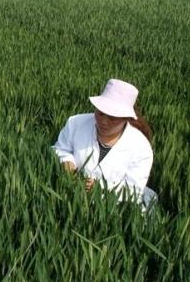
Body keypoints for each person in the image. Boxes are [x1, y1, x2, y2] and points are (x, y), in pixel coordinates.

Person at [53, 78, 156, 207]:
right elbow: (60, 148)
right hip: (70, 198)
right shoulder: (75, 123)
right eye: (101, 113)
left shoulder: (141, 147)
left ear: (127, 118)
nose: (104, 121)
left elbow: (134, 190)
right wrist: (67, 161)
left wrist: (101, 188)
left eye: (113, 119)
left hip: (112, 208)